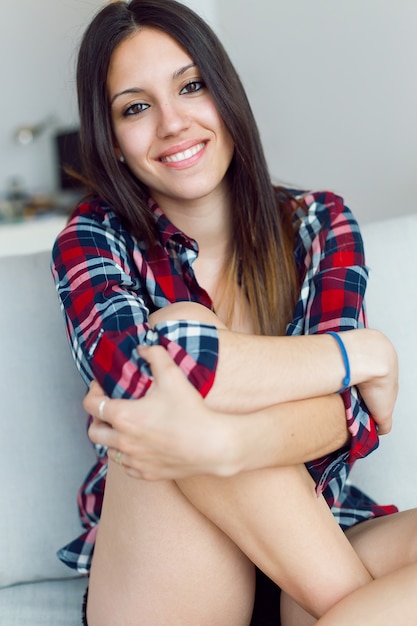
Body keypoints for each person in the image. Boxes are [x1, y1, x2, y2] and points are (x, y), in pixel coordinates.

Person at [50, 1, 416, 624]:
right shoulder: (91, 238)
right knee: (165, 373)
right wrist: (366, 354)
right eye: (136, 107)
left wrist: (224, 444)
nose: (172, 123)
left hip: (317, 526)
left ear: (225, 93)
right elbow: (154, 376)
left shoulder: (319, 223)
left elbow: (344, 419)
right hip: (171, 557)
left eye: (191, 86)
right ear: (110, 137)